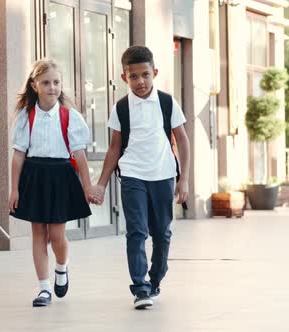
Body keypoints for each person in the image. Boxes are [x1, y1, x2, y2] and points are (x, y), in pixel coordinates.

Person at [90, 46, 190, 310]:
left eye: (145, 75)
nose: (140, 81)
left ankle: (155, 278)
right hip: (133, 174)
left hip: (163, 175)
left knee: (162, 234)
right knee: (136, 232)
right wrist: (100, 183)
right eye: (133, 76)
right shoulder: (121, 108)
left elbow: (182, 138)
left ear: (154, 73)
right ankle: (140, 287)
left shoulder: (167, 102)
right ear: (124, 78)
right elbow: (114, 148)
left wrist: (185, 179)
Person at [8, 59, 94, 307]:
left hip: (61, 176)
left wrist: (88, 188)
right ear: (35, 85)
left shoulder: (70, 117)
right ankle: (43, 288)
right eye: (46, 83)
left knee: (57, 235)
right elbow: (18, 155)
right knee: (38, 233)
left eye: (56, 82)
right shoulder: (26, 117)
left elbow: (80, 156)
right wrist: (14, 188)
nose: (52, 87)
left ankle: (62, 267)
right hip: (34, 176)